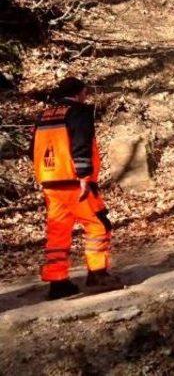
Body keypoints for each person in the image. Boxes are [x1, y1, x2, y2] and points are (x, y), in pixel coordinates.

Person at [32, 77, 122, 300]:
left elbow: (31, 148)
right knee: (98, 224)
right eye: (85, 92)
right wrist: (83, 175)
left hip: (50, 183)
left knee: (58, 232)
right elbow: (80, 143)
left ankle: (57, 282)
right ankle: (98, 274)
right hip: (75, 182)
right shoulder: (79, 112)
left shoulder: (43, 115)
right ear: (80, 92)